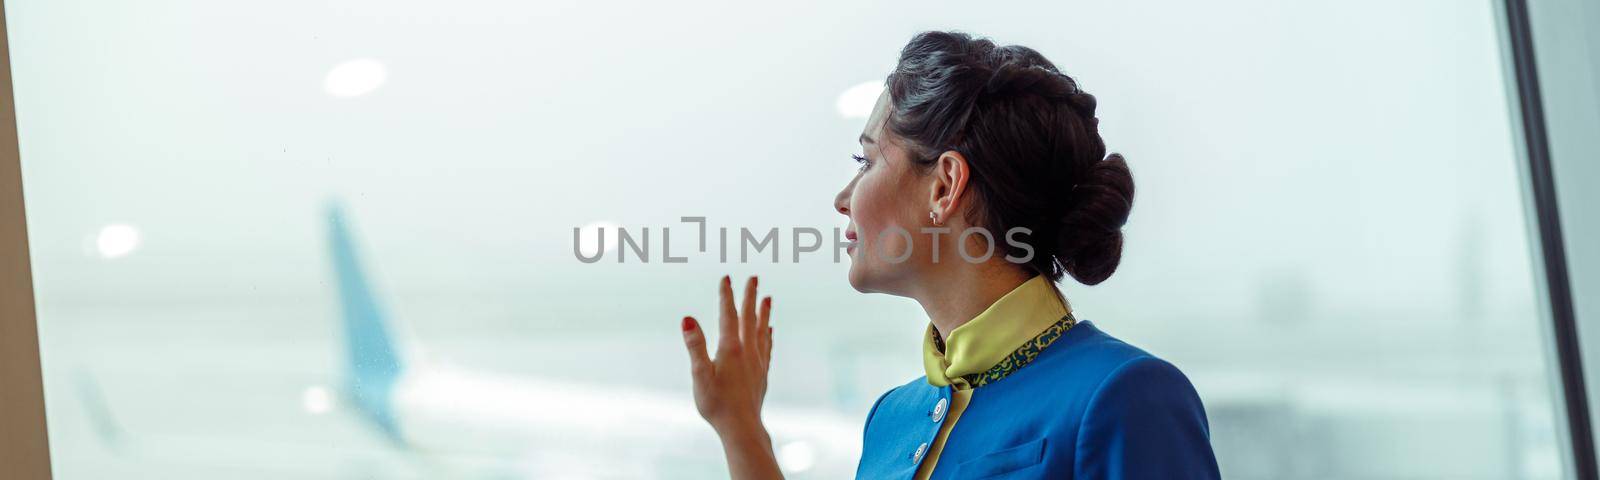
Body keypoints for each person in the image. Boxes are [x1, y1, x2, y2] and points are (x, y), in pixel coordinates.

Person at [678, 30, 1221, 479]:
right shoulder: (890, 420)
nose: (843, 200)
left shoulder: (1126, 398)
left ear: (944, 187)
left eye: (865, 162)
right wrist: (740, 427)